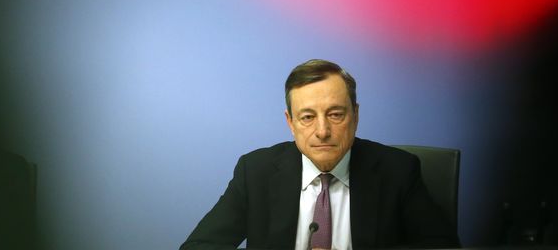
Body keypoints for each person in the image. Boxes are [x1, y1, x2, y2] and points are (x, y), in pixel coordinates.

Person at [181, 59, 459, 250]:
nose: (322, 131)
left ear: (356, 115)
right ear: (290, 123)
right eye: (307, 117)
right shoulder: (255, 171)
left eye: (335, 114)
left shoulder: (398, 170)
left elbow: (442, 247)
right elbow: (199, 246)